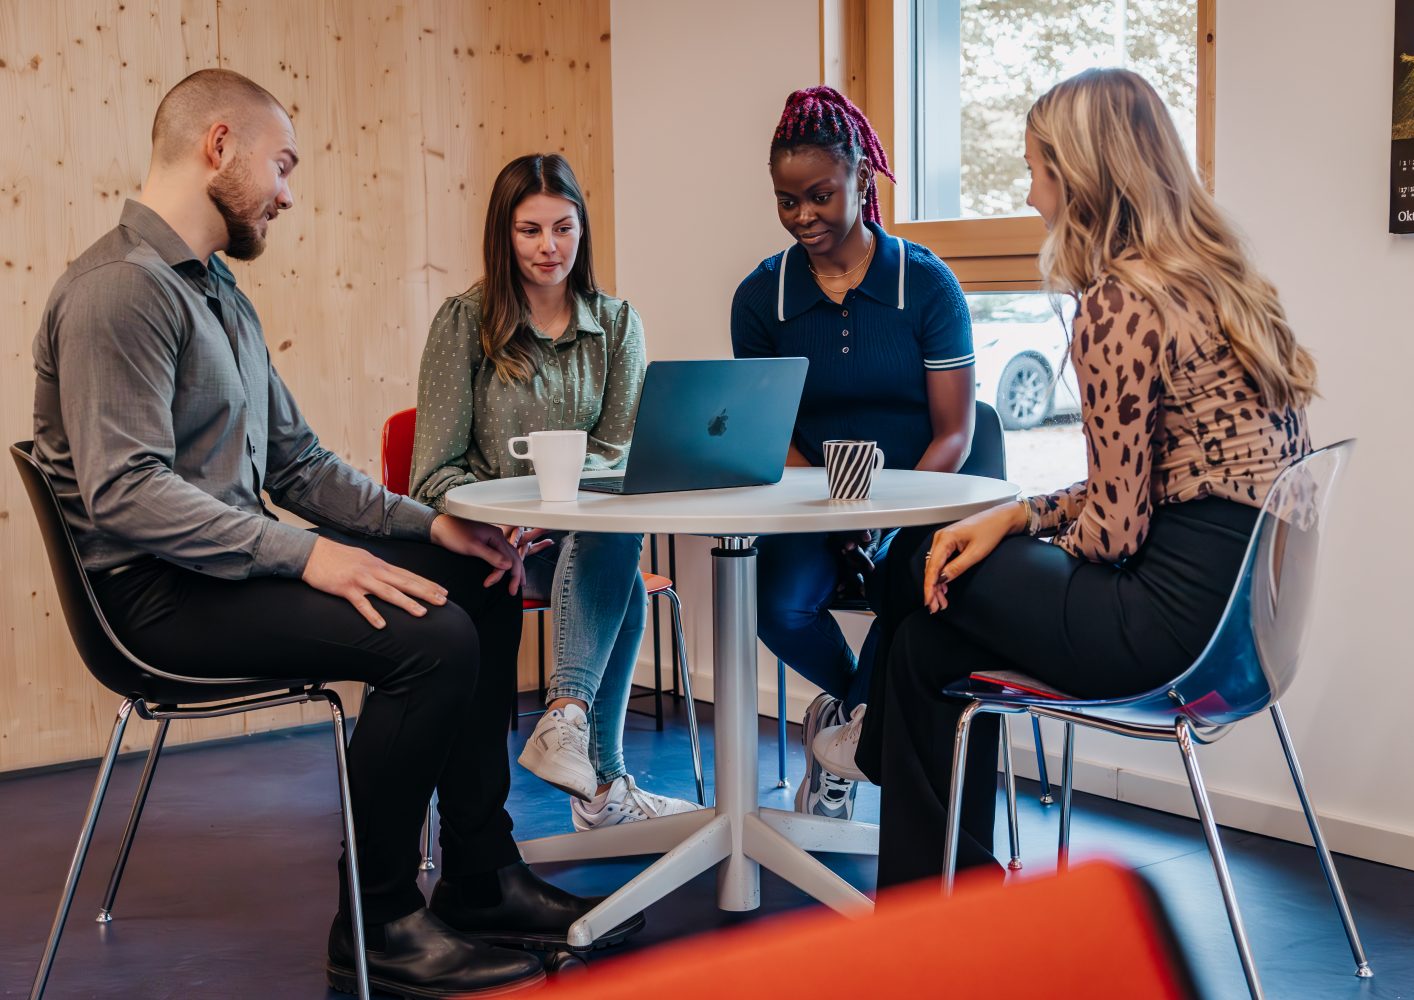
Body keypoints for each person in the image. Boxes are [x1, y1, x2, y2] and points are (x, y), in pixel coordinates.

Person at [31, 69, 643, 999]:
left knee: (468, 578)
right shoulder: (122, 292)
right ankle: (383, 919)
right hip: (153, 598)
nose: (287, 190)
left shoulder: (217, 292)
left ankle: (480, 875)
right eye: (280, 165)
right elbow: (128, 496)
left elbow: (301, 465)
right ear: (217, 145)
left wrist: (440, 524)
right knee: (428, 644)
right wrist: (310, 553)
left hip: (217, 568)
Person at [854, 68, 1317, 889]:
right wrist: (1019, 516)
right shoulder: (1224, 285)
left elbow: (1114, 533)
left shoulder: (1120, 302)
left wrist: (1019, 523)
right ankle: (942, 894)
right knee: (927, 647)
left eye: (1036, 171)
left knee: (912, 560)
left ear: (1081, 178)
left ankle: (863, 744)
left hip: (1162, 630)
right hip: (1244, 625)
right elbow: (1162, 492)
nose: (1030, 195)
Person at [411, 153, 699, 830]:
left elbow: (619, 453)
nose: (549, 247)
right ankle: (605, 788)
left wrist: (565, 510)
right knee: (621, 570)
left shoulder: (617, 324)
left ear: (583, 230)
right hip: (498, 543)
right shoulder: (466, 322)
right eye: (530, 230)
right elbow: (433, 472)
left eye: (563, 228)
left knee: (611, 531)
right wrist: (505, 516)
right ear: (502, 237)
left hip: (588, 532)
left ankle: (565, 718)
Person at [730, 86, 976, 820]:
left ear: (861, 180)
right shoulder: (760, 298)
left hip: (916, 498)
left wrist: (889, 514)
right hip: (813, 498)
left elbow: (955, 434)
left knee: (910, 588)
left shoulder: (926, 284)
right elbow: (770, 430)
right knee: (776, 606)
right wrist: (833, 509)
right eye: (786, 201)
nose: (803, 216)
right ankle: (851, 721)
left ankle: (848, 741)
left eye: (820, 196)